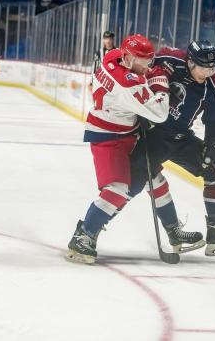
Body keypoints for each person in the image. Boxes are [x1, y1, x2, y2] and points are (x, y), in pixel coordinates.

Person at [128, 40, 215, 257]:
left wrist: (212, 146)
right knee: (140, 177)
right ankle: (173, 231)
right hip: (153, 134)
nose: (208, 72)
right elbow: (139, 70)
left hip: (181, 137)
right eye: (203, 67)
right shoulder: (169, 59)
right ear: (190, 62)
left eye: (212, 68)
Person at [66, 34, 170, 264]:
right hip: (108, 137)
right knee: (117, 190)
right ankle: (83, 235)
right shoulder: (128, 84)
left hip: (122, 131)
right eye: (142, 61)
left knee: (141, 182)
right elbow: (160, 113)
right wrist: (160, 85)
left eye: (149, 60)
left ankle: (173, 230)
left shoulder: (111, 57)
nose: (147, 65)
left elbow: (133, 77)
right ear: (128, 57)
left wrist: (144, 75)